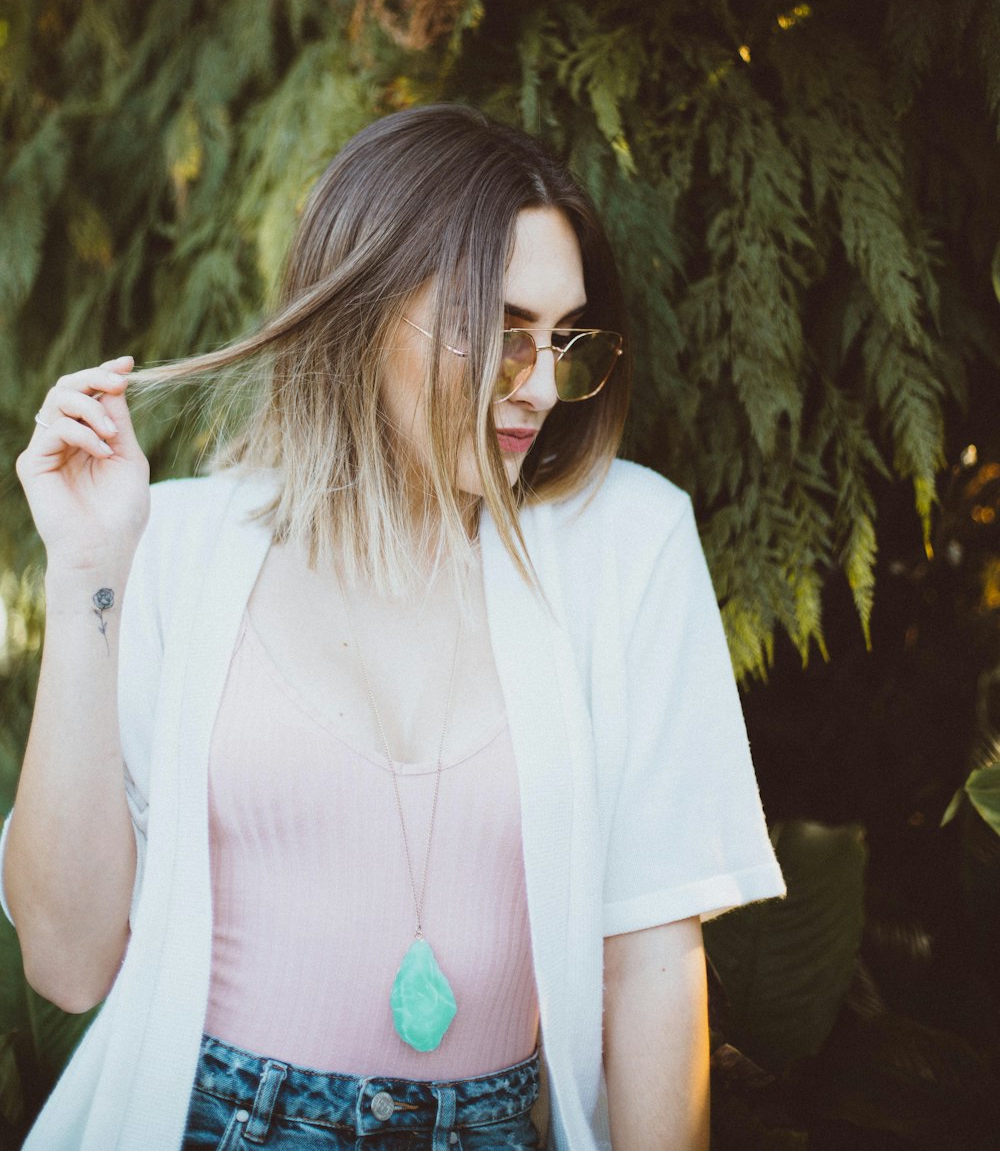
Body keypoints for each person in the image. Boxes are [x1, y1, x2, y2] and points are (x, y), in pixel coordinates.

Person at [1, 104, 785, 1151]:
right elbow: (65, 959)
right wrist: (89, 570)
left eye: (566, 342)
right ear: (364, 309)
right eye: (503, 334)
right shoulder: (170, 544)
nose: (545, 385)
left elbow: (648, 955)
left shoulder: (628, 544)